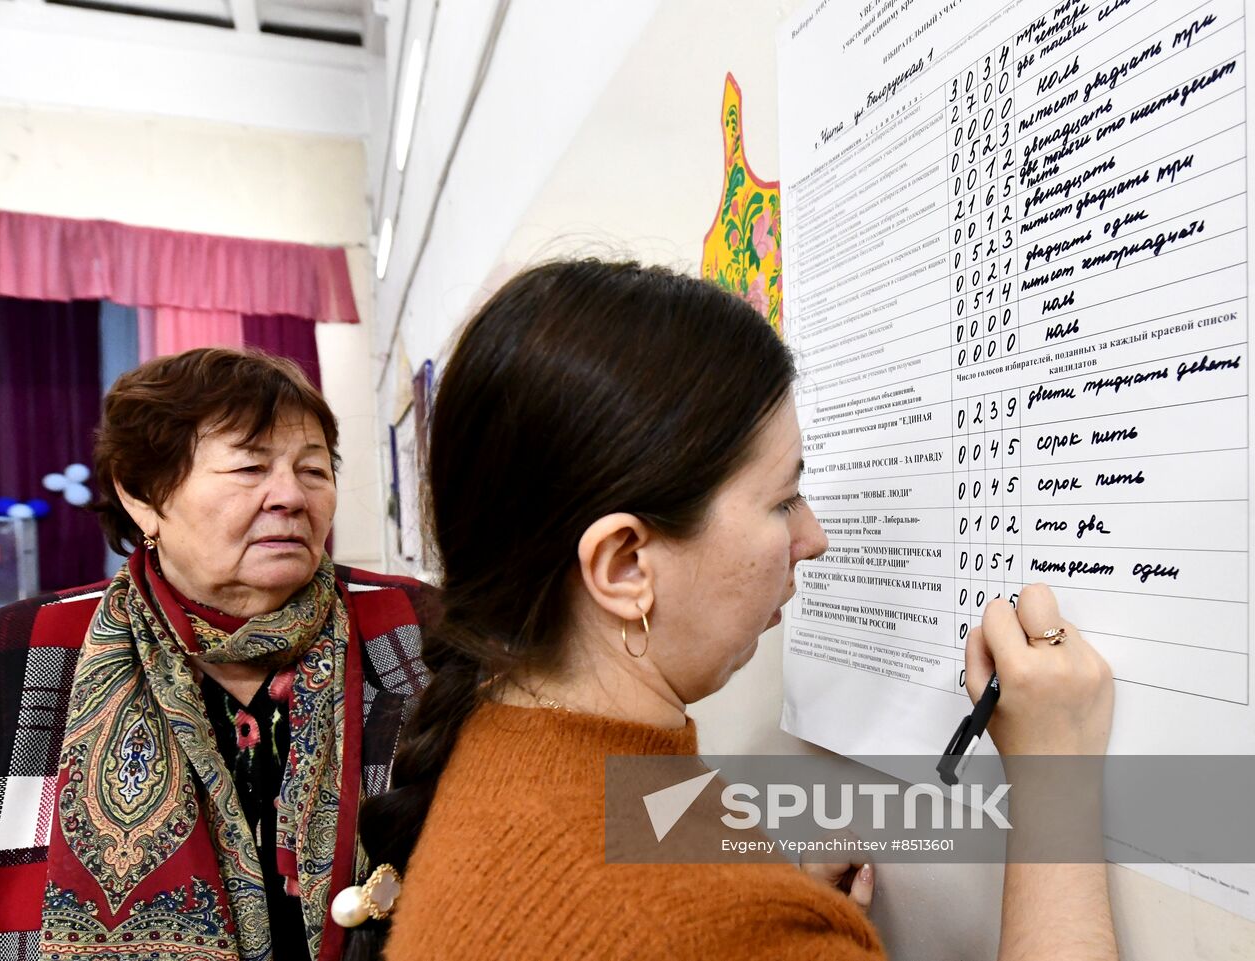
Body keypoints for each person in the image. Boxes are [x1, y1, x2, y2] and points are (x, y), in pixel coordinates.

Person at [340, 260, 1118, 960]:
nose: (813, 537)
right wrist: (1056, 782)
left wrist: (768, 887)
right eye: (782, 500)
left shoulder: (498, 737)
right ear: (625, 565)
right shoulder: (713, 922)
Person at [0, 348, 433, 961]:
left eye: (314, 470)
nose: (290, 496)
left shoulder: (424, 636)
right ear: (142, 496)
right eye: (249, 468)